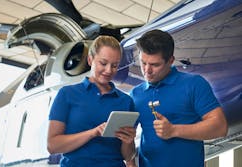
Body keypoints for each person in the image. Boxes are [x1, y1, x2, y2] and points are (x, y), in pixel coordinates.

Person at [129, 29, 228, 167]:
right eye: (143, 63)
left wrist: (174, 130)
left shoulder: (194, 84)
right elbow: (126, 143)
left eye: (155, 65)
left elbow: (220, 127)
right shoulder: (135, 95)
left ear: (170, 61)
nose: (147, 70)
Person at [47, 35, 137, 167]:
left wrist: (128, 141)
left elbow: (128, 156)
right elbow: (52, 146)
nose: (108, 70)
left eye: (114, 65)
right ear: (90, 60)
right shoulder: (67, 94)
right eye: (103, 63)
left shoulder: (126, 101)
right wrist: (93, 133)